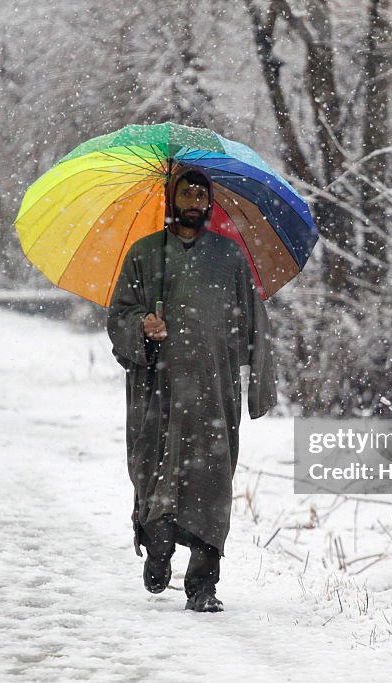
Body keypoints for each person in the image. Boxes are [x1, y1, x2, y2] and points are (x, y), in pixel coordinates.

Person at [106, 167, 277, 612]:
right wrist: (142, 326)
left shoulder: (230, 257)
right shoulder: (145, 256)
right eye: (187, 192)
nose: (196, 200)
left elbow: (255, 324)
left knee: (212, 483)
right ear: (172, 198)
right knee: (154, 472)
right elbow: (118, 316)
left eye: (203, 195)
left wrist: (259, 383)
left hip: (213, 392)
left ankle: (203, 585)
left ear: (210, 204)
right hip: (156, 390)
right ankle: (158, 549)